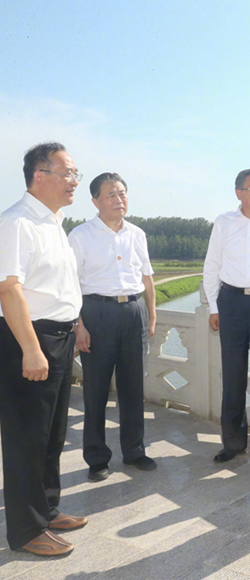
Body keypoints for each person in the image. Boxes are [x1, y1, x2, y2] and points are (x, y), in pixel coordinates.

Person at [0, 142, 87, 556]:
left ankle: (48, 509)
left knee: (52, 434)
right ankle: (26, 529)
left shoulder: (55, 223)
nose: (74, 181)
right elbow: (8, 289)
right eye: (67, 173)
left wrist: (76, 326)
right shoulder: (16, 222)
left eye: (75, 174)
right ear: (40, 176)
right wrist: (31, 350)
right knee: (26, 437)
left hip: (61, 337)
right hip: (30, 338)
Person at [68, 173, 157, 482]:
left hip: (134, 311)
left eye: (122, 193)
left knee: (134, 387)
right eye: (111, 195)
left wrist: (151, 315)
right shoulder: (80, 235)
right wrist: (79, 326)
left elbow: (147, 277)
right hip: (96, 313)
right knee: (96, 390)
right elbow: (70, 284)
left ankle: (134, 451)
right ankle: (97, 458)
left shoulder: (137, 234)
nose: (119, 200)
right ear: (95, 201)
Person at [203, 169, 250, 463]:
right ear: (239, 193)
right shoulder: (224, 222)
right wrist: (214, 307)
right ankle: (233, 443)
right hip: (232, 303)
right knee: (233, 375)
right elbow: (212, 266)